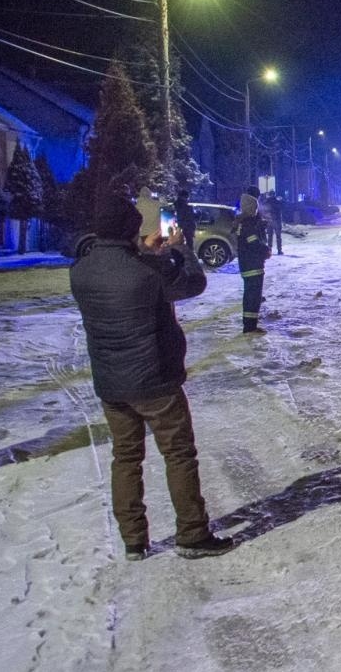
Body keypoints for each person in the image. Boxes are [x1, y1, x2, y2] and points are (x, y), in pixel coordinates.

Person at [68, 195, 233, 560]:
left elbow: (114, 266)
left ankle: (133, 541)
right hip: (155, 380)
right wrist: (180, 251)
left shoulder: (80, 271)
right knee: (178, 455)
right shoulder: (147, 274)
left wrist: (143, 250)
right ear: (130, 229)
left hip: (111, 384)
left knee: (125, 457)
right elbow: (192, 284)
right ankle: (192, 533)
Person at [235, 192, 270, 334]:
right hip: (252, 265)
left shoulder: (241, 222)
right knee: (253, 297)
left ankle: (249, 324)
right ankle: (250, 327)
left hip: (247, 264)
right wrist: (266, 250)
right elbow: (254, 243)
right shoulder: (248, 224)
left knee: (250, 295)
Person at [264, 191, 285, 255]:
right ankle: (279, 250)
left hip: (269, 221)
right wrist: (281, 200)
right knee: (278, 236)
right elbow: (282, 207)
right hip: (277, 221)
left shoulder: (266, 202)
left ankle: (269, 250)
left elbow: (264, 210)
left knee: (270, 236)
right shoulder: (277, 201)